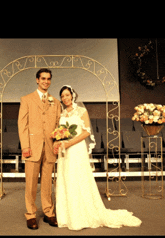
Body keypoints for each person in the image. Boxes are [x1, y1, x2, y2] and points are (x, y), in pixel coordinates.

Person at [54, 85, 142, 230]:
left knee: (79, 178)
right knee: (67, 178)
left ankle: (82, 215)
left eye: (67, 95)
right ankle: (67, 215)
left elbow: (86, 132)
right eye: (62, 96)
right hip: (65, 152)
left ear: (72, 95)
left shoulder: (81, 111)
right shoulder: (62, 114)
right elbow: (59, 132)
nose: (65, 98)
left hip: (76, 149)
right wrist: (59, 140)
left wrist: (69, 142)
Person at [18, 68, 61, 230]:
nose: (46, 81)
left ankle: (49, 212)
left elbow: (58, 125)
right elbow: (22, 124)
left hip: (50, 147)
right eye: (43, 78)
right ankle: (30, 214)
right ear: (37, 80)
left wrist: (57, 142)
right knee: (30, 184)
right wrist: (25, 146)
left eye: (48, 79)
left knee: (47, 183)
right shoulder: (26, 99)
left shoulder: (55, 102)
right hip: (32, 147)